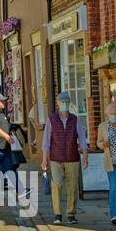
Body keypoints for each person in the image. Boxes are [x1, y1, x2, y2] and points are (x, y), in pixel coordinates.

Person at [42, 91, 89, 224]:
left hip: (72, 158)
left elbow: (82, 138)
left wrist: (85, 154)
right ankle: (57, 214)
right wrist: (44, 159)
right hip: (56, 157)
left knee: (72, 187)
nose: (65, 104)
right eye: (62, 102)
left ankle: (71, 214)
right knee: (56, 185)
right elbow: (46, 141)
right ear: (57, 103)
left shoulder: (75, 119)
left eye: (67, 102)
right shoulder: (51, 119)